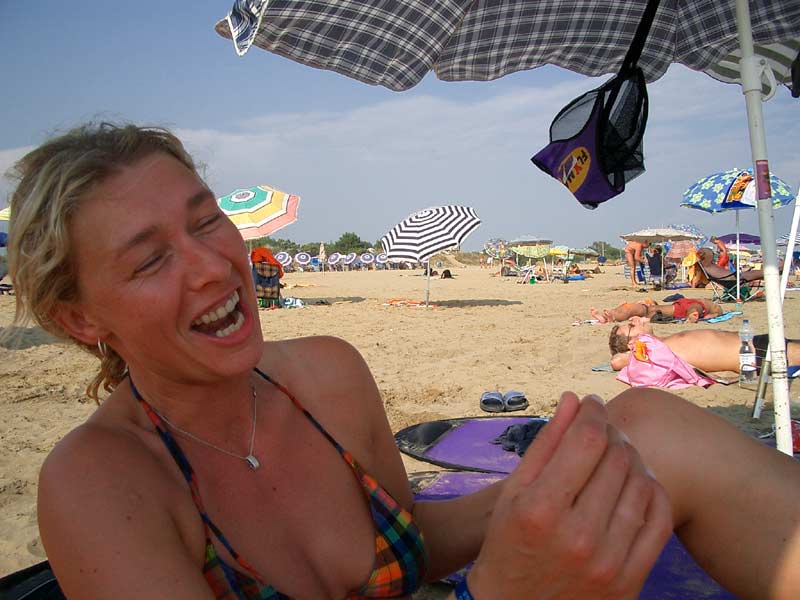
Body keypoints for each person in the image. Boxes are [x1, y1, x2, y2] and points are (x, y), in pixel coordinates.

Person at [6, 123, 800, 600]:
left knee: (647, 426)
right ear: (80, 318)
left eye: (206, 222)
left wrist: (551, 478)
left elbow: (406, 538)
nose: (216, 267)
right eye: (149, 262)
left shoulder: (326, 375)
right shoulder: (100, 485)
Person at [608, 316, 800, 372]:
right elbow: (616, 362)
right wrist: (630, 353)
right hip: (756, 355)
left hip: (756, 344)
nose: (635, 320)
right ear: (632, 342)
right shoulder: (651, 353)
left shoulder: (661, 345)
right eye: (631, 326)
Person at [590, 296, 722, 324]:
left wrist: (711, 314)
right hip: (651, 310)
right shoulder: (704, 304)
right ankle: (608, 316)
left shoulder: (703, 304)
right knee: (627, 307)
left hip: (655, 311)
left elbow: (715, 313)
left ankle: (610, 316)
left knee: (694, 308)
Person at [698, 247, 764, 282]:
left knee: (762, 274)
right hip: (732, 278)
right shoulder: (707, 264)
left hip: (732, 277)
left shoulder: (708, 265)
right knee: (763, 273)